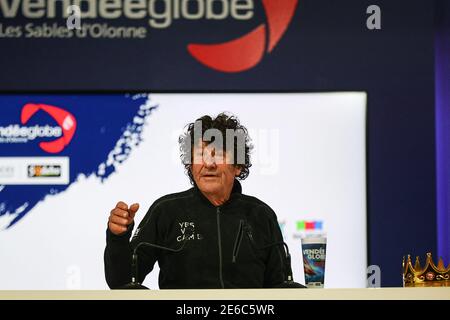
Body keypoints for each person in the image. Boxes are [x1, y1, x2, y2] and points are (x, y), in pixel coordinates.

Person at [104, 113, 287, 289]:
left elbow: (282, 288)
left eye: (219, 154)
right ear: (190, 165)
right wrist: (117, 238)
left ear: (238, 166)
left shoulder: (261, 215)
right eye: (201, 155)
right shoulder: (166, 211)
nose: (209, 164)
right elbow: (122, 281)